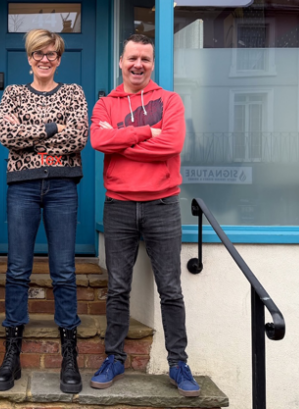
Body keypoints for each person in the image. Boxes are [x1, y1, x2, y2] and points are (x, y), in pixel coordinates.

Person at [88, 34, 200, 397]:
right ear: (121, 62)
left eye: (145, 60)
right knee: (118, 288)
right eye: (132, 58)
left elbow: (172, 144)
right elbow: (99, 141)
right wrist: (146, 133)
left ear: (152, 64)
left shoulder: (169, 101)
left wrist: (122, 141)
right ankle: (114, 357)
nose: (138, 65)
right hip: (119, 205)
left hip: (162, 205)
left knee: (170, 289)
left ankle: (178, 363)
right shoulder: (105, 104)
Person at [0, 29, 88, 394]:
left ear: (59, 59)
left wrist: (31, 135)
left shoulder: (74, 92)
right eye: (38, 54)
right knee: (18, 269)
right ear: (29, 58)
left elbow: (78, 137)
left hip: (63, 188)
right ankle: (11, 354)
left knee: (63, 271)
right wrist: (52, 127)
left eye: (51, 54)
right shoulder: (14, 93)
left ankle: (69, 356)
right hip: (23, 188)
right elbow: (7, 137)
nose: (45, 59)